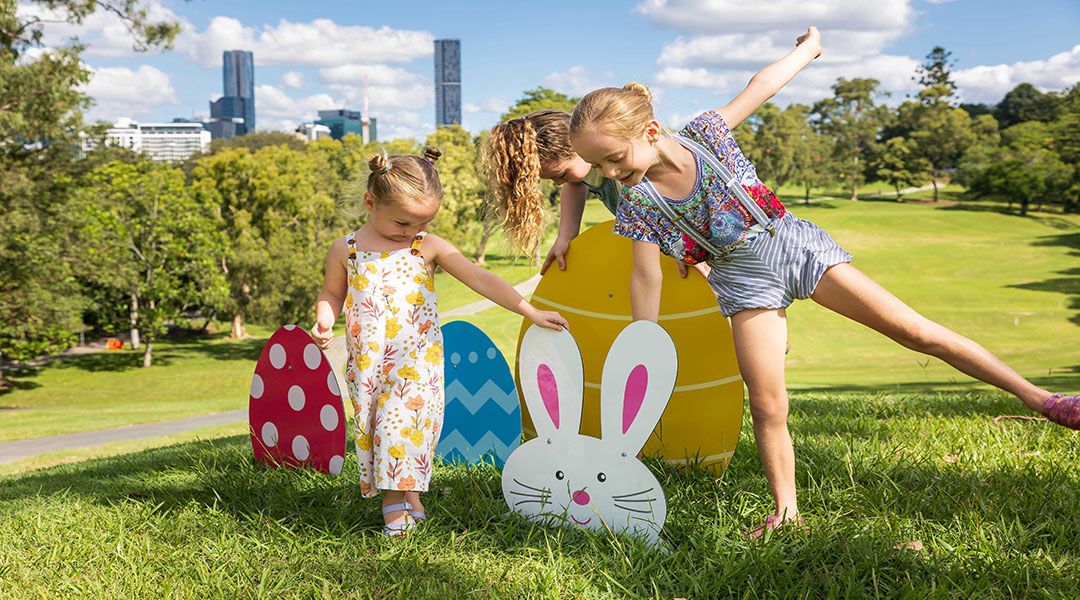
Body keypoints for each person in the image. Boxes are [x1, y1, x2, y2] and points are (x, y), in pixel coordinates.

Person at [566, 26, 1079, 537]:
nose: (609, 174)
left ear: (650, 131)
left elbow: (761, 86)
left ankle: (1041, 400)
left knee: (915, 332)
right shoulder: (636, 202)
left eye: (615, 158)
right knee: (767, 402)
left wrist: (809, 50)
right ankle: (786, 513)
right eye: (599, 165)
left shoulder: (706, 135)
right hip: (741, 281)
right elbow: (644, 272)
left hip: (791, 243)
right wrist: (645, 336)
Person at [311, 147, 568, 537]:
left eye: (423, 222)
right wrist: (324, 320)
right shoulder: (345, 249)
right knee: (377, 429)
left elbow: (481, 279)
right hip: (368, 366)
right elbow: (331, 293)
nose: (411, 230)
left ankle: (393, 504)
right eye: (402, 222)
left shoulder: (425, 246)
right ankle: (410, 496)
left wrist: (529, 311)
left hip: (416, 363)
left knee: (402, 426)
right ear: (370, 202)